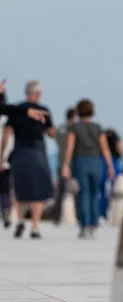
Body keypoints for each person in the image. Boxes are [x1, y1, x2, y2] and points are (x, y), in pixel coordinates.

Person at [1, 81, 55, 239]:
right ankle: (35, 226)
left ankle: (21, 218)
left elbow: (7, 134)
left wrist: (1, 154)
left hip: (19, 150)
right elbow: (51, 132)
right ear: (38, 95)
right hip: (37, 150)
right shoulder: (43, 110)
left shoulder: (16, 110)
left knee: (18, 186)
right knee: (39, 189)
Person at [61, 99, 115, 238]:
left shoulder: (74, 128)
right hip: (96, 161)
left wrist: (66, 165)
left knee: (84, 193)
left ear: (78, 112)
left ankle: (84, 225)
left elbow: (70, 147)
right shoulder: (98, 128)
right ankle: (93, 222)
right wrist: (110, 166)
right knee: (94, 193)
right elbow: (105, 149)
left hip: (81, 161)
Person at [52, 108, 76, 224]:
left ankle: (56, 216)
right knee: (75, 190)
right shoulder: (74, 129)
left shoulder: (60, 128)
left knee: (60, 191)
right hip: (72, 162)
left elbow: (56, 141)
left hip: (60, 162)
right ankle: (77, 215)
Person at [99, 128, 123, 219]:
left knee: (102, 191)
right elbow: (121, 149)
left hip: (102, 163)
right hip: (114, 162)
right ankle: (114, 212)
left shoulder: (101, 136)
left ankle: (101, 213)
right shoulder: (115, 136)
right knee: (116, 189)